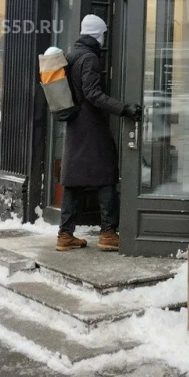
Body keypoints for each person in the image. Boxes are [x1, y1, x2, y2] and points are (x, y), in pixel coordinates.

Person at [57, 14, 142, 253]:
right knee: (106, 175)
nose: (104, 37)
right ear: (97, 34)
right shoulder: (90, 58)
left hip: (75, 126)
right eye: (103, 33)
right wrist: (124, 109)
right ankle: (108, 233)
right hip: (91, 126)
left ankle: (65, 235)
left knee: (73, 181)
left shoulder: (71, 55)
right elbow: (93, 94)